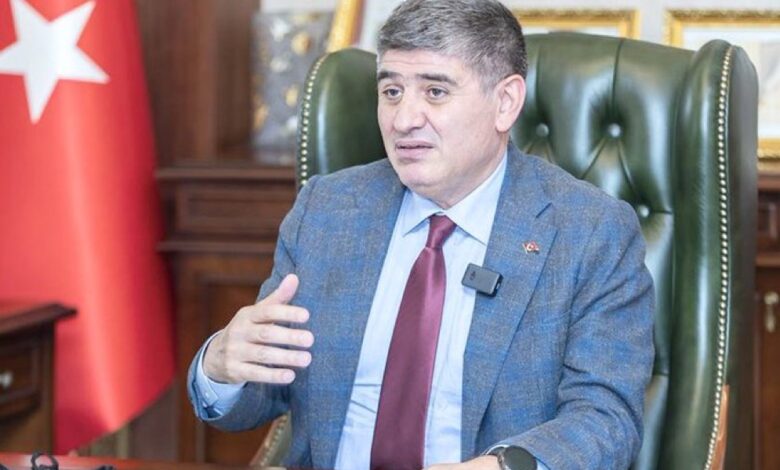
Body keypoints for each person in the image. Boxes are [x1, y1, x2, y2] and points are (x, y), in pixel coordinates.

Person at [188, 0, 654, 469]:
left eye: (435, 91)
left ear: (506, 102)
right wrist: (219, 367)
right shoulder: (327, 211)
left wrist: (502, 467)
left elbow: (605, 418)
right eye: (391, 91)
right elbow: (264, 390)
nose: (404, 119)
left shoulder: (589, 232)